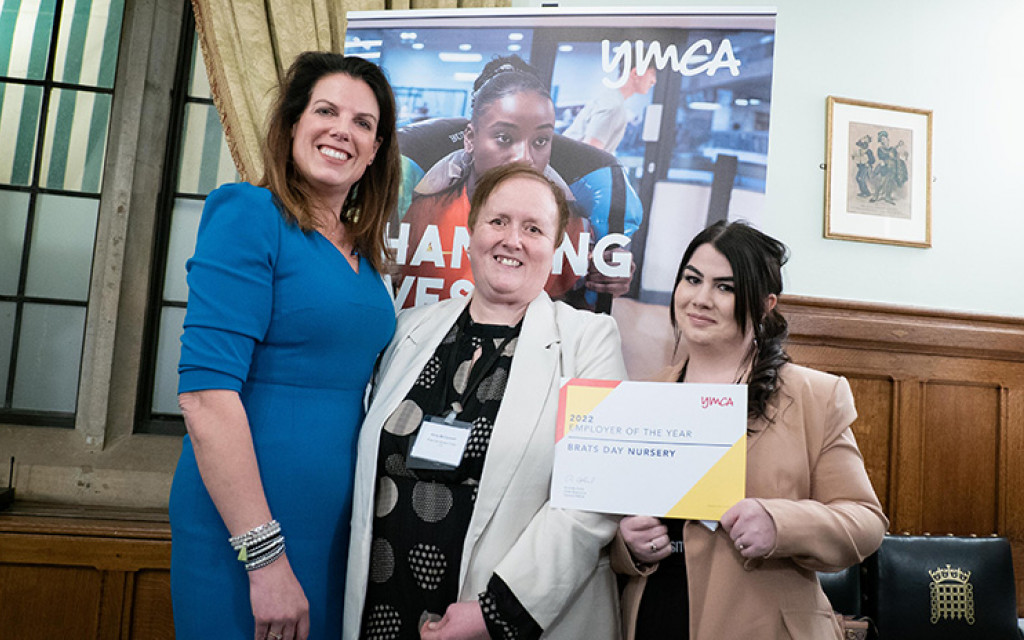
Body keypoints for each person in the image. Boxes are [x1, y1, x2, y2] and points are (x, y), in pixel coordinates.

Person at [170, 52, 401, 640]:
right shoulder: (250, 213)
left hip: (337, 533)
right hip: (250, 529)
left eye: (363, 123)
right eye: (326, 111)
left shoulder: (366, 253)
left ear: (375, 151)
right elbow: (205, 397)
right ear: (293, 124)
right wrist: (264, 557)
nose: (341, 131)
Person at [344, 163, 627, 640]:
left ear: (556, 247)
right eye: (498, 221)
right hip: (386, 605)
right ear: (472, 229)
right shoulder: (411, 328)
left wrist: (496, 611)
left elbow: (591, 499)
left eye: (533, 228)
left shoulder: (588, 340)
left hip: (500, 616)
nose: (512, 239)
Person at [613, 221, 887, 639]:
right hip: (654, 617)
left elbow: (865, 522)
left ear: (765, 304)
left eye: (725, 287)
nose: (701, 299)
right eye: (692, 279)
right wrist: (625, 545)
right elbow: (609, 524)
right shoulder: (644, 395)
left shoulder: (815, 395)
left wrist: (780, 523)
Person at [395, 55, 641, 310]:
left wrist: (607, 274)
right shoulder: (422, 212)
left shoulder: (571, 229)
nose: (522, 158)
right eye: (504, 136)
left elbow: (573, 314)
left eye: (539, 140)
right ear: (471, 135)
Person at [562, 63, 657, 153]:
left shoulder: (610, 98)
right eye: (652, 74)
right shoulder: (613, 106)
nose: (654, 81)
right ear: (635, 73)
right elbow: (589, 155)